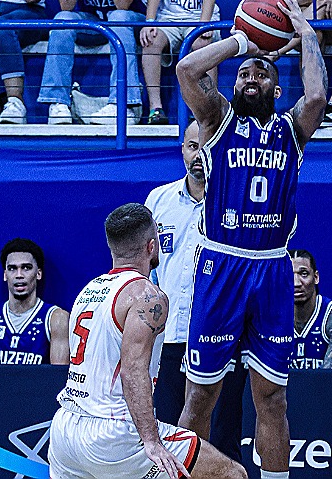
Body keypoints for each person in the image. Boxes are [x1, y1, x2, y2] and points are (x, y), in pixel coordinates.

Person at [175, 0, 327, 479]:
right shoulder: (218, 120)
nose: (251, 78)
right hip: (222, 264)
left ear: (276, 90)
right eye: (245, 73)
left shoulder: (291, 130)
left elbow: (319, 96)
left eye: (261, 73)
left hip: (273, 269)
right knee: (201, 396)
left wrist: (303, 34)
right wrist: (243, 41)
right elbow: (185, 69)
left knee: (272, 397)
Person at [49, 203, 247, 479]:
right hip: (112, 433)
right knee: (231, 474)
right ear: (152, 246)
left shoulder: (88, 291)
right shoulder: (146, 295)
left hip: (65, 431)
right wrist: (150, 440)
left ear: (112, 248)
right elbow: (133, 370)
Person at [145, 121, 247, 462]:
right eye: (192, 146)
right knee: (170, 438)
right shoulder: (158, 201)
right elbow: (147, 274)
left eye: (206, 147)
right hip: (171, 338)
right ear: (182, 150)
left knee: (222, 437)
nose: (199, 155)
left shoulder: (239, 200)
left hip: (222, 339)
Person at [37, 0, 147, 125]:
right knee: (63, 19)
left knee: (119, 17)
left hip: (131, 22)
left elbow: (122, 4)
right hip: (95, 22)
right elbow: (66, 5)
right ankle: (58, 102)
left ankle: (123, 104)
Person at [0, 238, 70, 365]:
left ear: (38, 274)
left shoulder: (56, 319)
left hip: (34, 386)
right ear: (5, 275)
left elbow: (58, 378)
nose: (19, 275)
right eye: (12, 268)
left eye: (26, 268)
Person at [139, 0, 220, 125]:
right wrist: (149, 21)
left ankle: (208, 109)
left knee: (202, 45)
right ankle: (156, 109)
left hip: (199, 18)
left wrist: (203, 25)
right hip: (169, 19)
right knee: (151, 42)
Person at [289, 249, 332, 369]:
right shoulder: (270, 318)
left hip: (329, 388)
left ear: (316, 277)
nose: (296, 283)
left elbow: (328, 380)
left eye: (303, 274)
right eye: (288, 274)